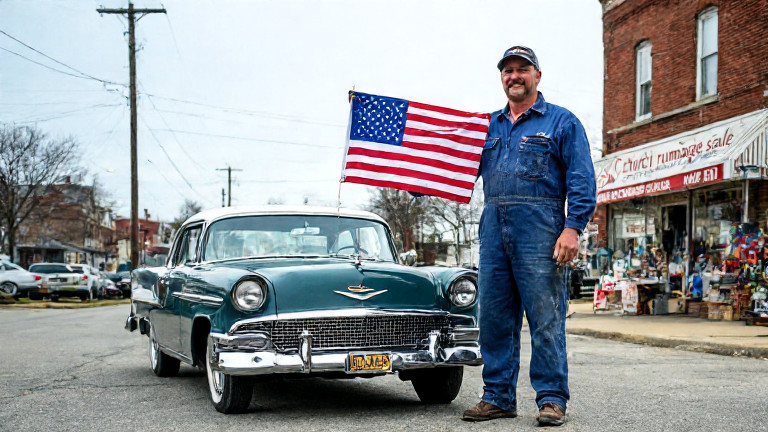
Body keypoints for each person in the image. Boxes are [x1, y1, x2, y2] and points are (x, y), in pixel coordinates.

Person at [461, 46, 596, 427]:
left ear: (537, 75)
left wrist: (573, 228)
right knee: (495, 320)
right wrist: (418, 181)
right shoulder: (486, 126)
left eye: (522, 69)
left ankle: (552, 399)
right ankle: (498, 396)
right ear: (501, 77)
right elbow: (455, 170)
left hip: (542, 230)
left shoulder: (562, 122)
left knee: (545, 319)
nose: (514, 76)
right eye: (508, 70)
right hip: (493, 230)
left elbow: (582, 180)